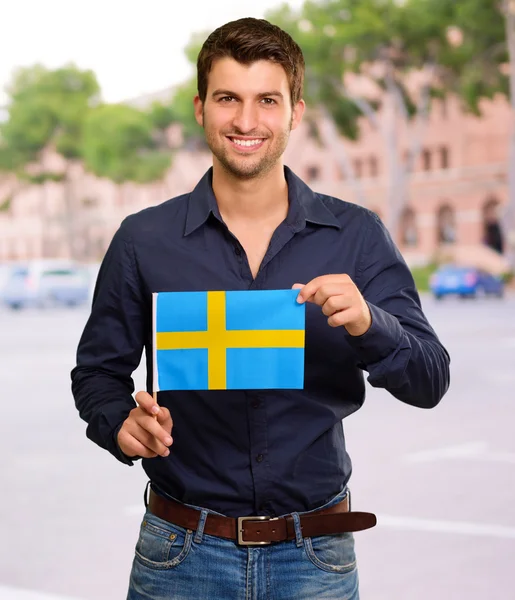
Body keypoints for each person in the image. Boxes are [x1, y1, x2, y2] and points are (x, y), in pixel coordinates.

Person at [71, 17, 450, 600]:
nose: (247, 122)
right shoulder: (143, 240)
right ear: (201, 108)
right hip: (180, 553)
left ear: (295, 110)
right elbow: (97, 373)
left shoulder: (357, 235)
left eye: (267, 100)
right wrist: (119, 424)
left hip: (315, 557)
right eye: (229, 98)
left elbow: (430, 379)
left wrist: (373, 325)